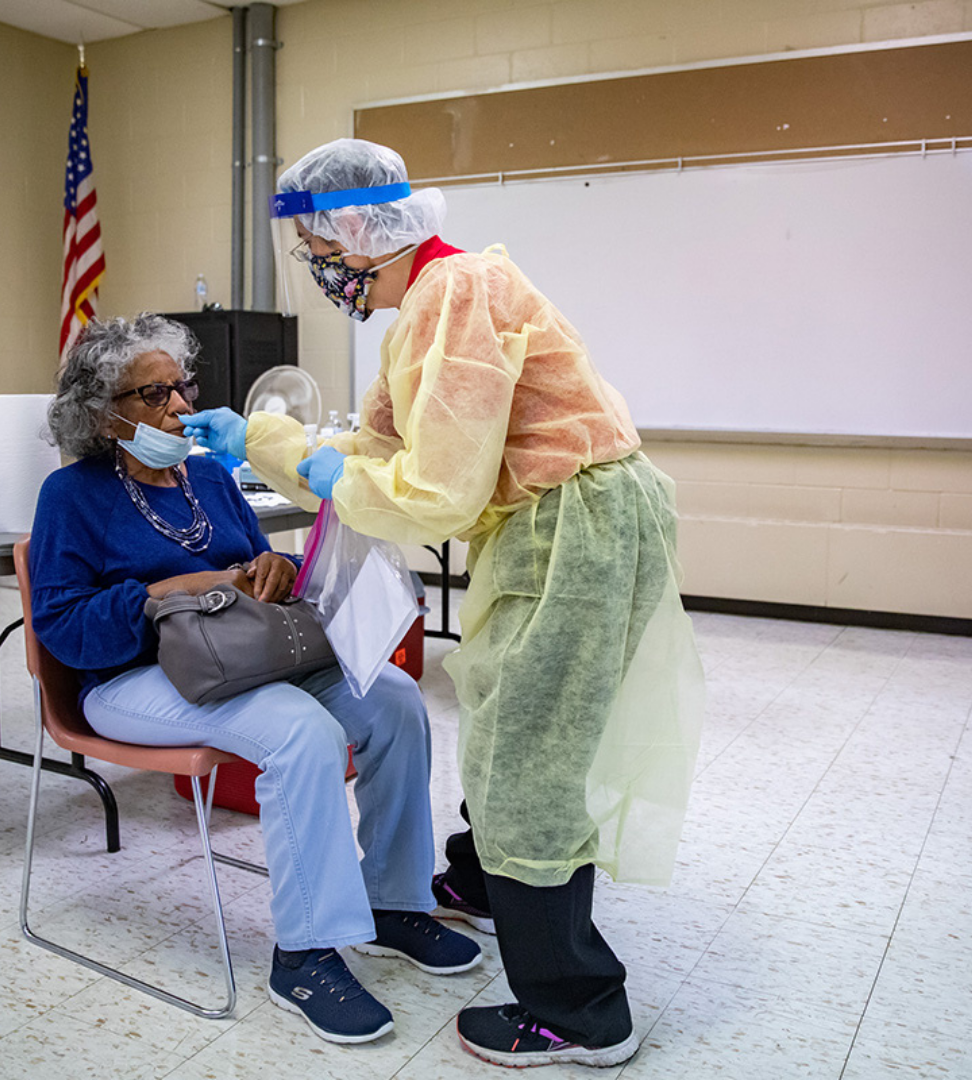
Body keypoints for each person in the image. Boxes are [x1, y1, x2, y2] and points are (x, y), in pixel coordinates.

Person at [184, 139, 705, 1069]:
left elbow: (437, 491)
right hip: (563, 520)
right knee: (515, 719)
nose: (323, 270)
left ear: (365, 234)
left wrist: (312, 463)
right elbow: (379, 443)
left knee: (528, 756)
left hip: (572, 528)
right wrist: (258, 441)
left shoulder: (452, 297)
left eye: (325, 250)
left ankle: (580, 1010)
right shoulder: (431, 303)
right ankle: (479, 881)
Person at [29, 312, 481, 1046]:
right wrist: (164, 594)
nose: (179, 407)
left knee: (394, 699)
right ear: (103, 415)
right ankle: (304, 955)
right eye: (154, 396)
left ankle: (393, 904)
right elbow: (63, 626)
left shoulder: (206, 473)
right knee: (299, 731)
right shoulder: (71, 495)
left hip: (244, 657)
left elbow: (260, 569)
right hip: (129, 679)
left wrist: (279, 567)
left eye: (182, 387)